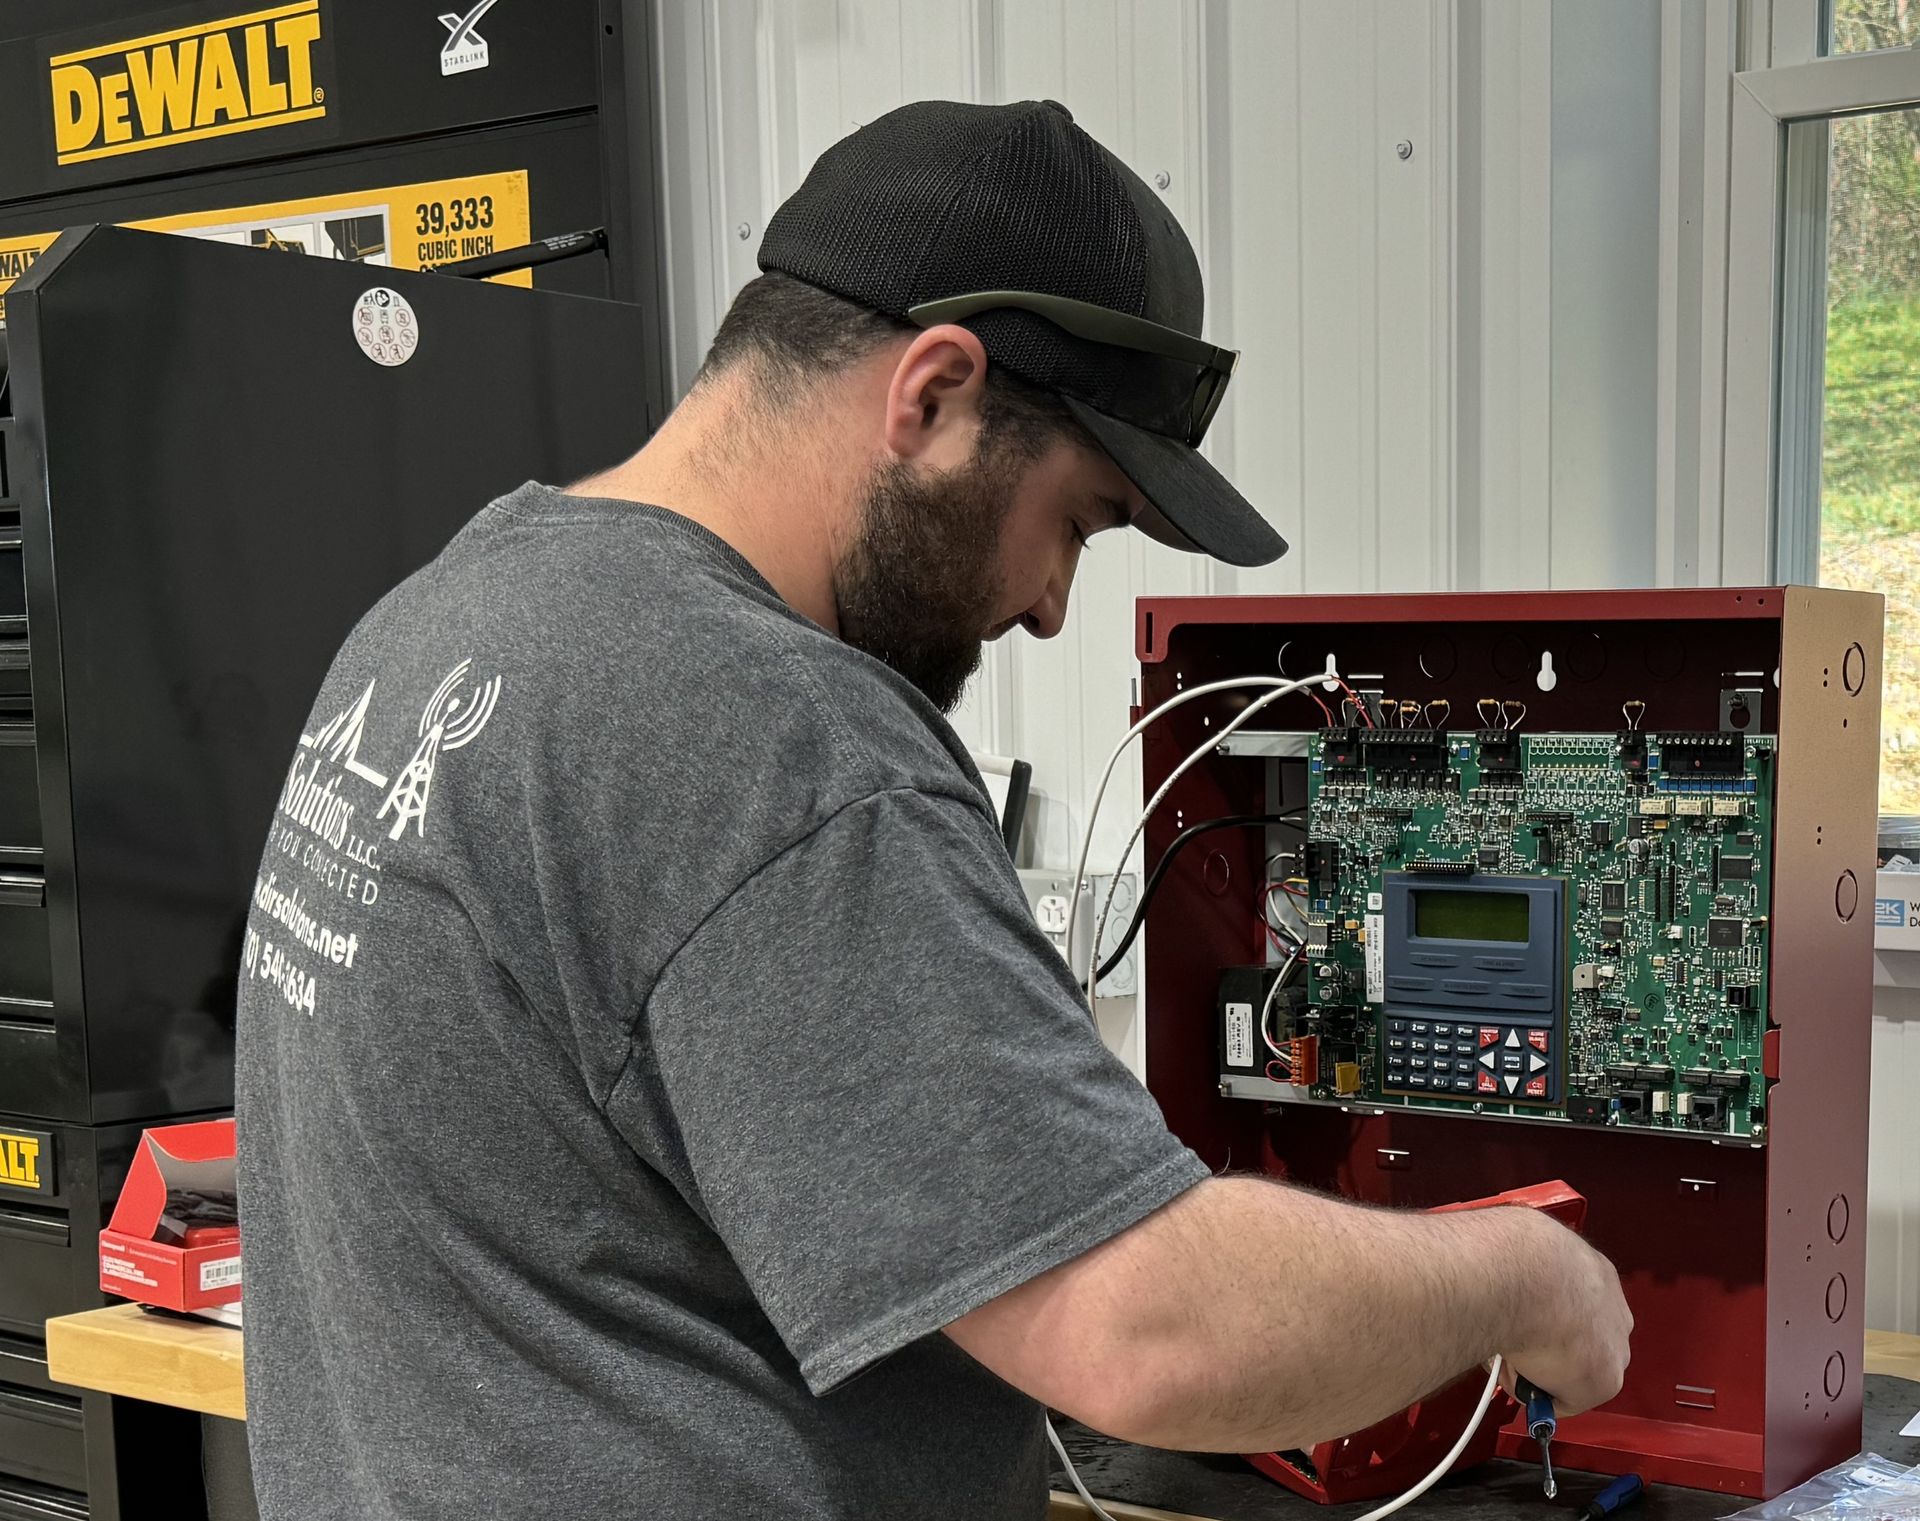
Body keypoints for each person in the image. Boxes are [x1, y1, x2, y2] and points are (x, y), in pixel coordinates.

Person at [235, 98, 1631, 1520]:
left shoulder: (440, 618)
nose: (1048, 604)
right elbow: (1145, 1327)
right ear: (934, 393)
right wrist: (1521, 1277)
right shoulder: (766, 734)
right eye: (1077, 520)